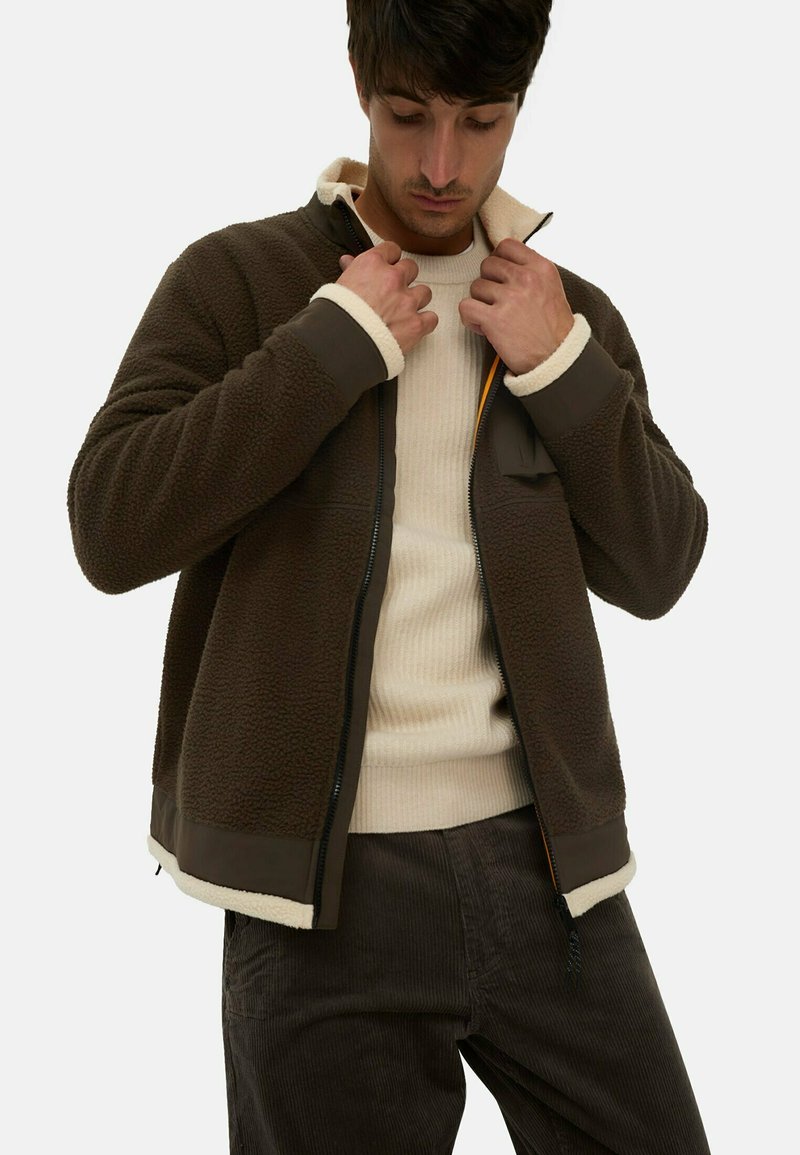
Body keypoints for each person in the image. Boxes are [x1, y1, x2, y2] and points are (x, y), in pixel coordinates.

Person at [67, 1, 713, 1151]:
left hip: (549, 875)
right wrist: (324, 350)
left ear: (520, 107)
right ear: (359, 80)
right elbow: (110, 530)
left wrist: (564, 368)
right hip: (318, 901)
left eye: (481, 121)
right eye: (408, 115)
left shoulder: (564, 313)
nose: (439, 165)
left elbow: (658, 566)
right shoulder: (237, 281)